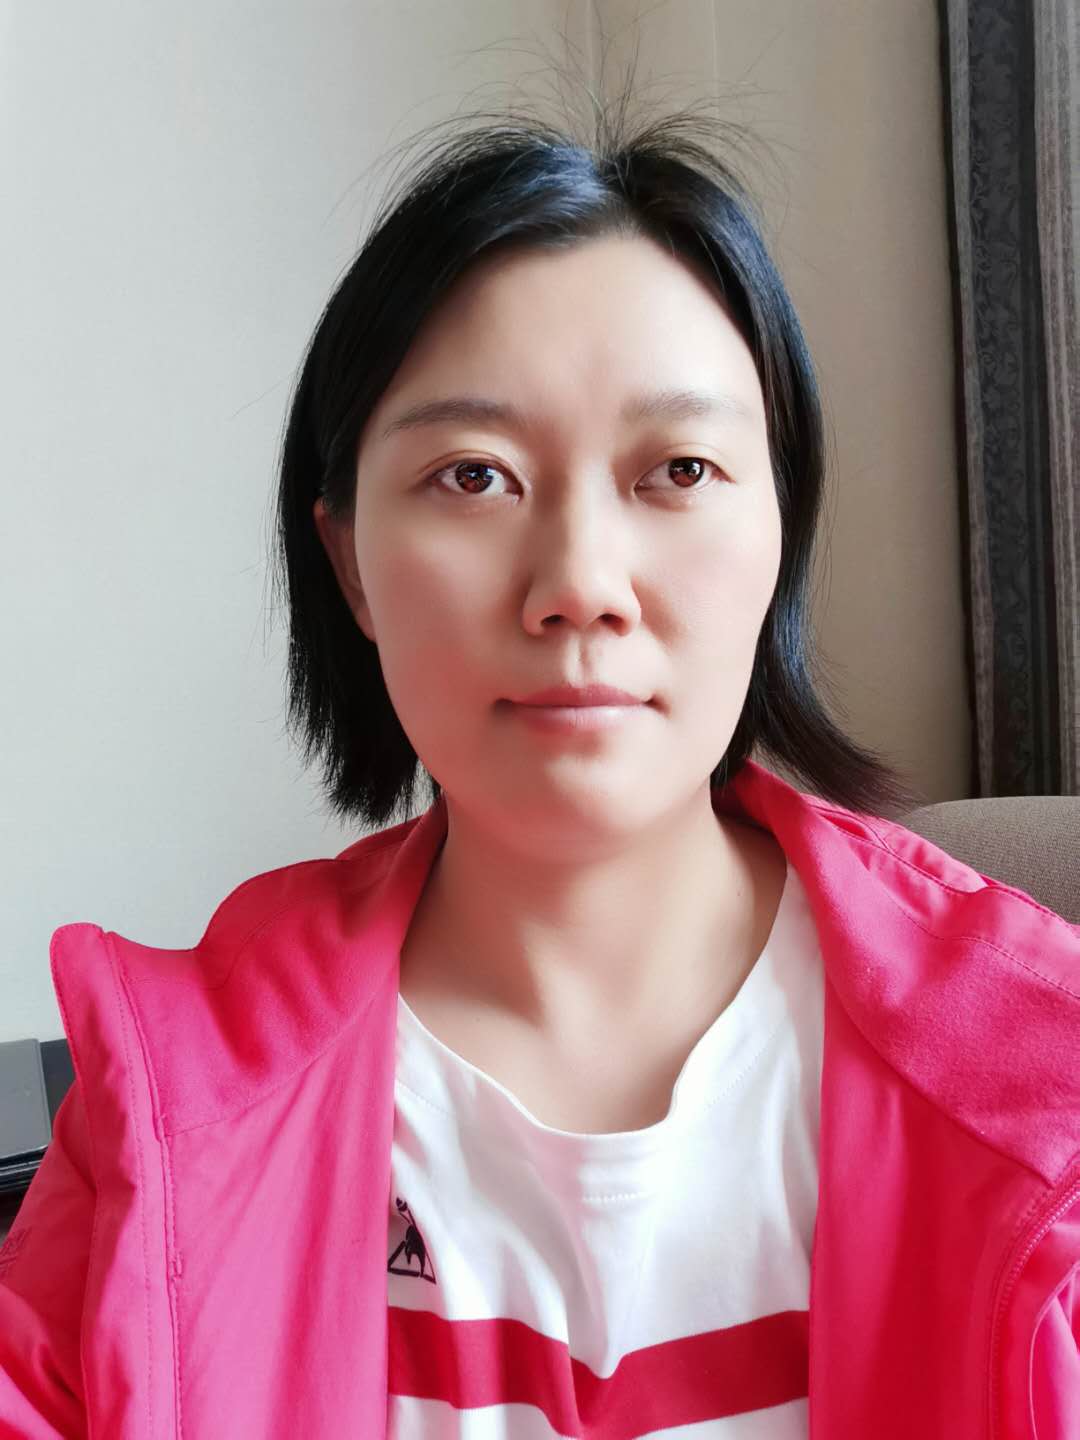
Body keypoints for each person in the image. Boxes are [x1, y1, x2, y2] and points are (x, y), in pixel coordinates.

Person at [1, 89, 1077, 1440]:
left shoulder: (1046, 1085)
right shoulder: (168, 1107)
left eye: (678, 470)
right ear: (350, 563)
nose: (580, 584)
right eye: (474, 476)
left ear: (781, 534)